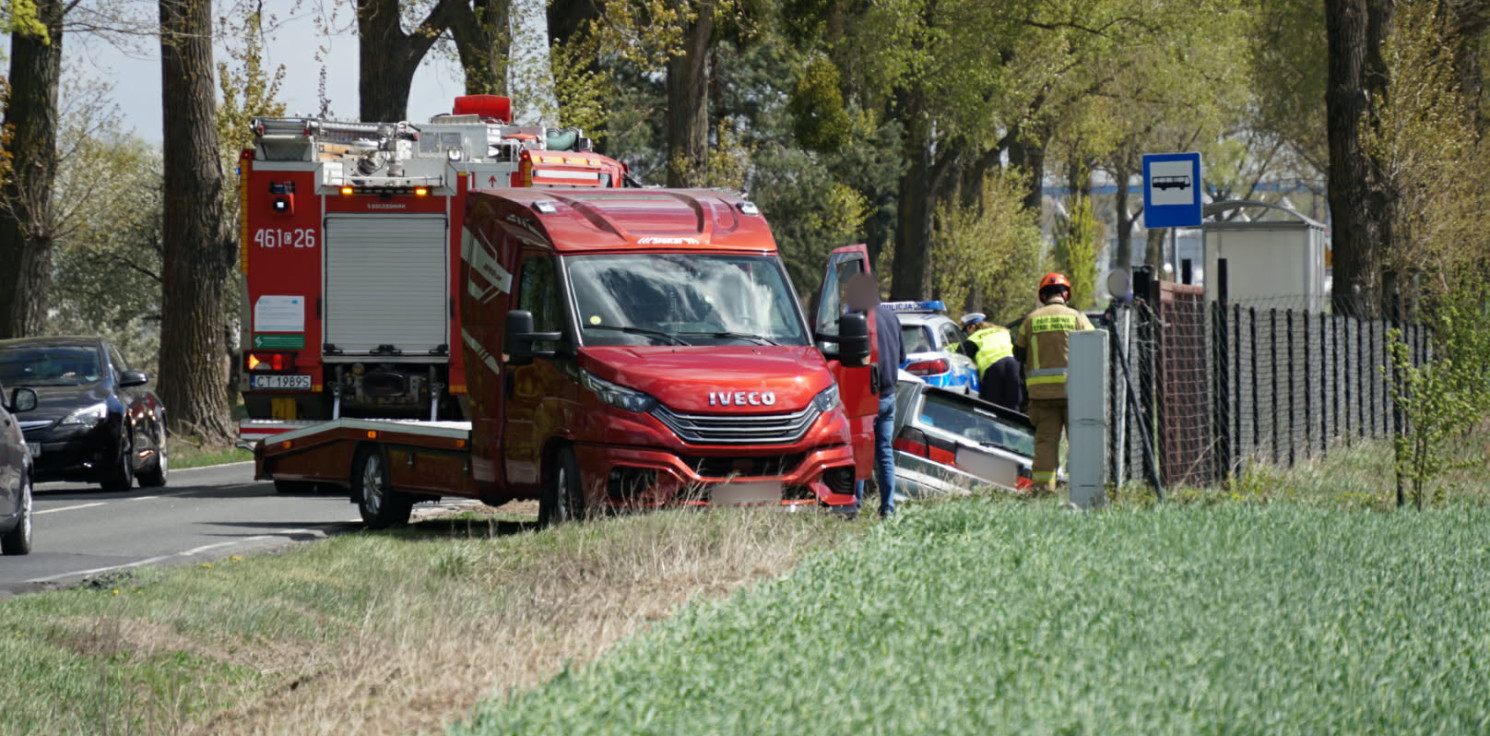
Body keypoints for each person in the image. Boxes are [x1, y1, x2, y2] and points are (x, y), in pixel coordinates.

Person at [1014, 273, 1094, 493]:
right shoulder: (1078, 318)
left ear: (1042, 296)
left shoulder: (1030, 320)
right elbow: (1094, 348)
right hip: (1074, 395)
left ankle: (1043, 492)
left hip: (1041, 397)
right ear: (1066, 293)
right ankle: (1083, 490)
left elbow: (1018, 354)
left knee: (1045, 446)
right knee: (1080, 443)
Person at [845, 273, 904, 518]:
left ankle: (855, 505)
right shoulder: (891, 317)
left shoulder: (856, 319)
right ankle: (888, 507)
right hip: (889, 395)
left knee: (860, 451)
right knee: (884, 451)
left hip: (865, 398)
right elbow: (902, 357)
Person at [958, 313, 1024, 413]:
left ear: (972, 326)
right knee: (1013, 403)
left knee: (991, 405)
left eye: (966, 330)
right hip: (1013, 365)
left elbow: (961, 357)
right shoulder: (1003, 331)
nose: (967, 334)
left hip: (994, 368)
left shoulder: (974, 338)